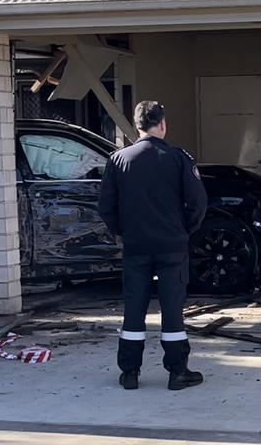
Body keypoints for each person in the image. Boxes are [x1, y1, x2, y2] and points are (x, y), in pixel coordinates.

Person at [99, 100, 208, 390]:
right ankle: (177, 372)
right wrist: (185, 230)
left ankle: (130, 372)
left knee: (134, 308)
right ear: (162, 124)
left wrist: (122, 231)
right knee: (172, 308)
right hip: (172, 246)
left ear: (137, 126)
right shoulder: (178, 158)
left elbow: (106, 206)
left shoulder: (118, 159)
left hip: (136, 246)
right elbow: (198, 203)